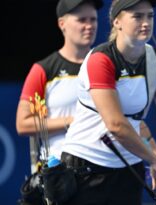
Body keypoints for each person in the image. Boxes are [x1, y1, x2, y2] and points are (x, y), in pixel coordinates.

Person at [61, 0, 156, 204]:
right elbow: (116, 125)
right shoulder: (101, 59)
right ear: (117, 22)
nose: (146, 23)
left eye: (150, 16)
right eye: (137, 16)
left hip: (129, 168)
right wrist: (154, 158)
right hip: (85, 167)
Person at [15, 0, 102, 204]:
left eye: (93, 20)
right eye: (81, 20)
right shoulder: (44, 69)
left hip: (103, 172)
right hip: (62, 178)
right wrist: (74, 120)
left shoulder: (106, 64)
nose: (89, 25)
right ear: (62, 24)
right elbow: (23, 123)